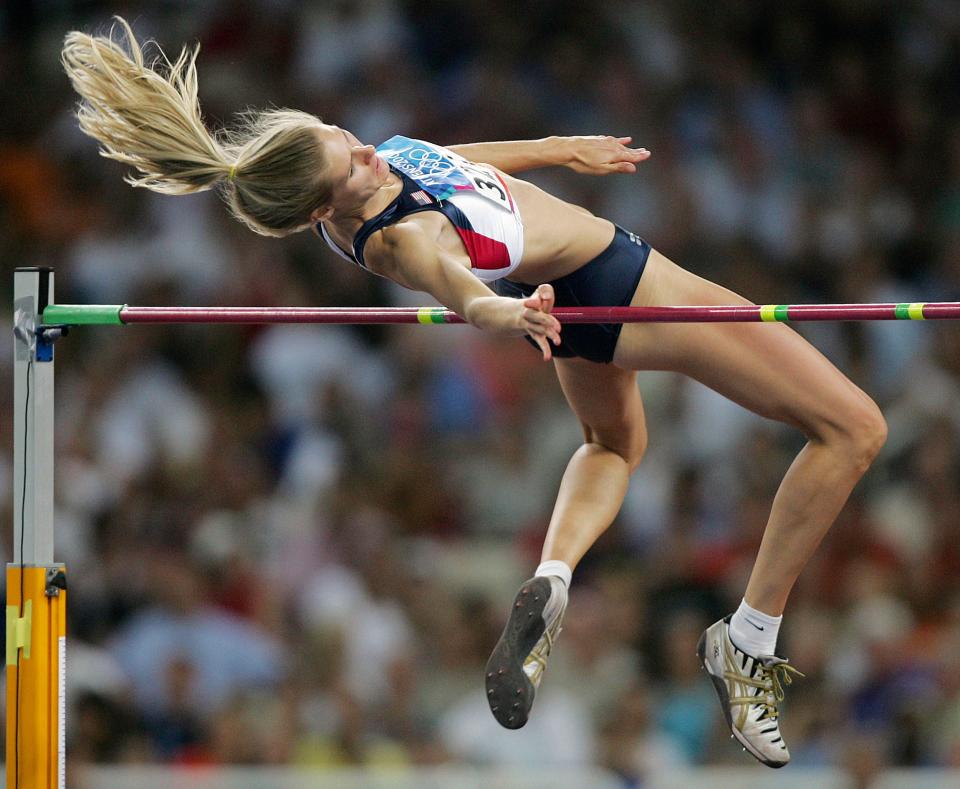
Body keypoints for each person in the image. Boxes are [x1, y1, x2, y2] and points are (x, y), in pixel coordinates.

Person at [62, 18, 888, 768]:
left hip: (570, 296)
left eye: (339, 133)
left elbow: (464, 165)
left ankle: (555, 574)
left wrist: (560, 147)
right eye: (347, 162)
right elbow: (456, 286)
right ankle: (747, 642)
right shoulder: (397, 238)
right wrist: (503, 313)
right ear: (322, 209)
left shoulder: (377, 163)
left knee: (613, 445)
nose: (362, 148)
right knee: (853, 428)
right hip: (612, 285)